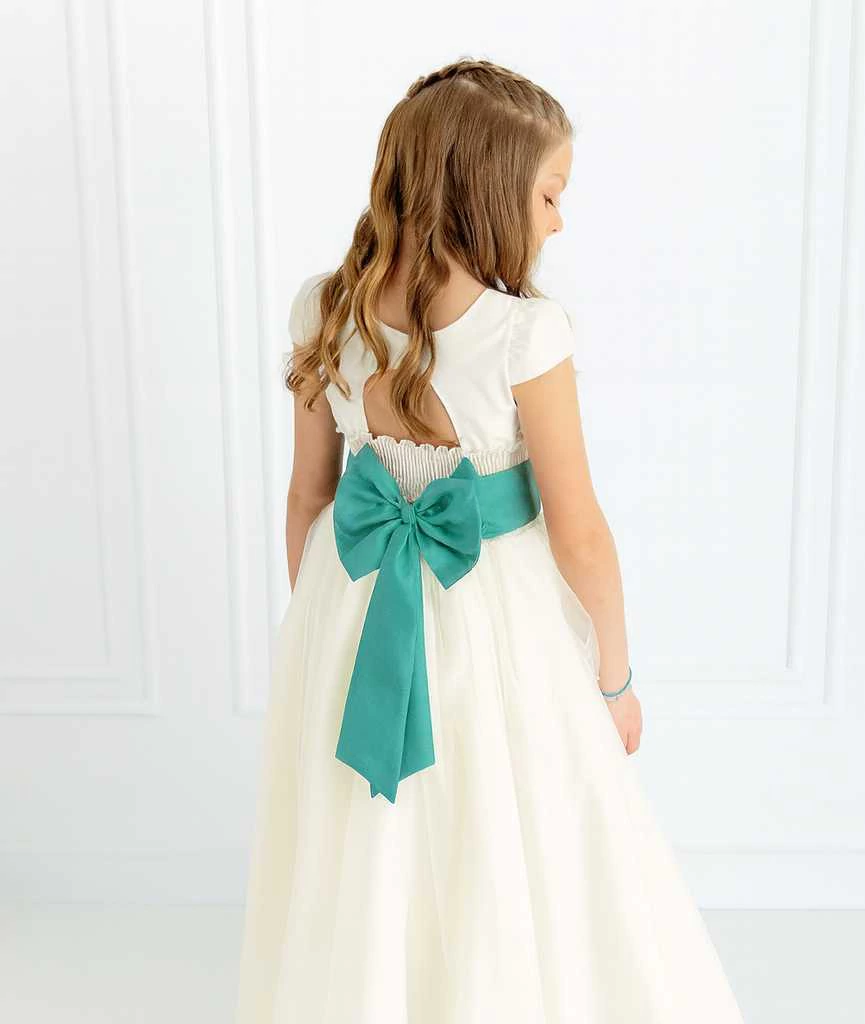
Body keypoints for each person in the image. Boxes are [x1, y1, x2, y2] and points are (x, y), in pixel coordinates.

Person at [234, 57, 746, 1023]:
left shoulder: (323, 309)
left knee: (371, 840)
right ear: (490, 192)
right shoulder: (524, 334)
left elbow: (309, 496)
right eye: (550, 195)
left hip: (350, 606)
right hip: (495, 622)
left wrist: (319, 635)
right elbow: (579, 532)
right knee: (504, 826)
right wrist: (614, 682)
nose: (559, 221)